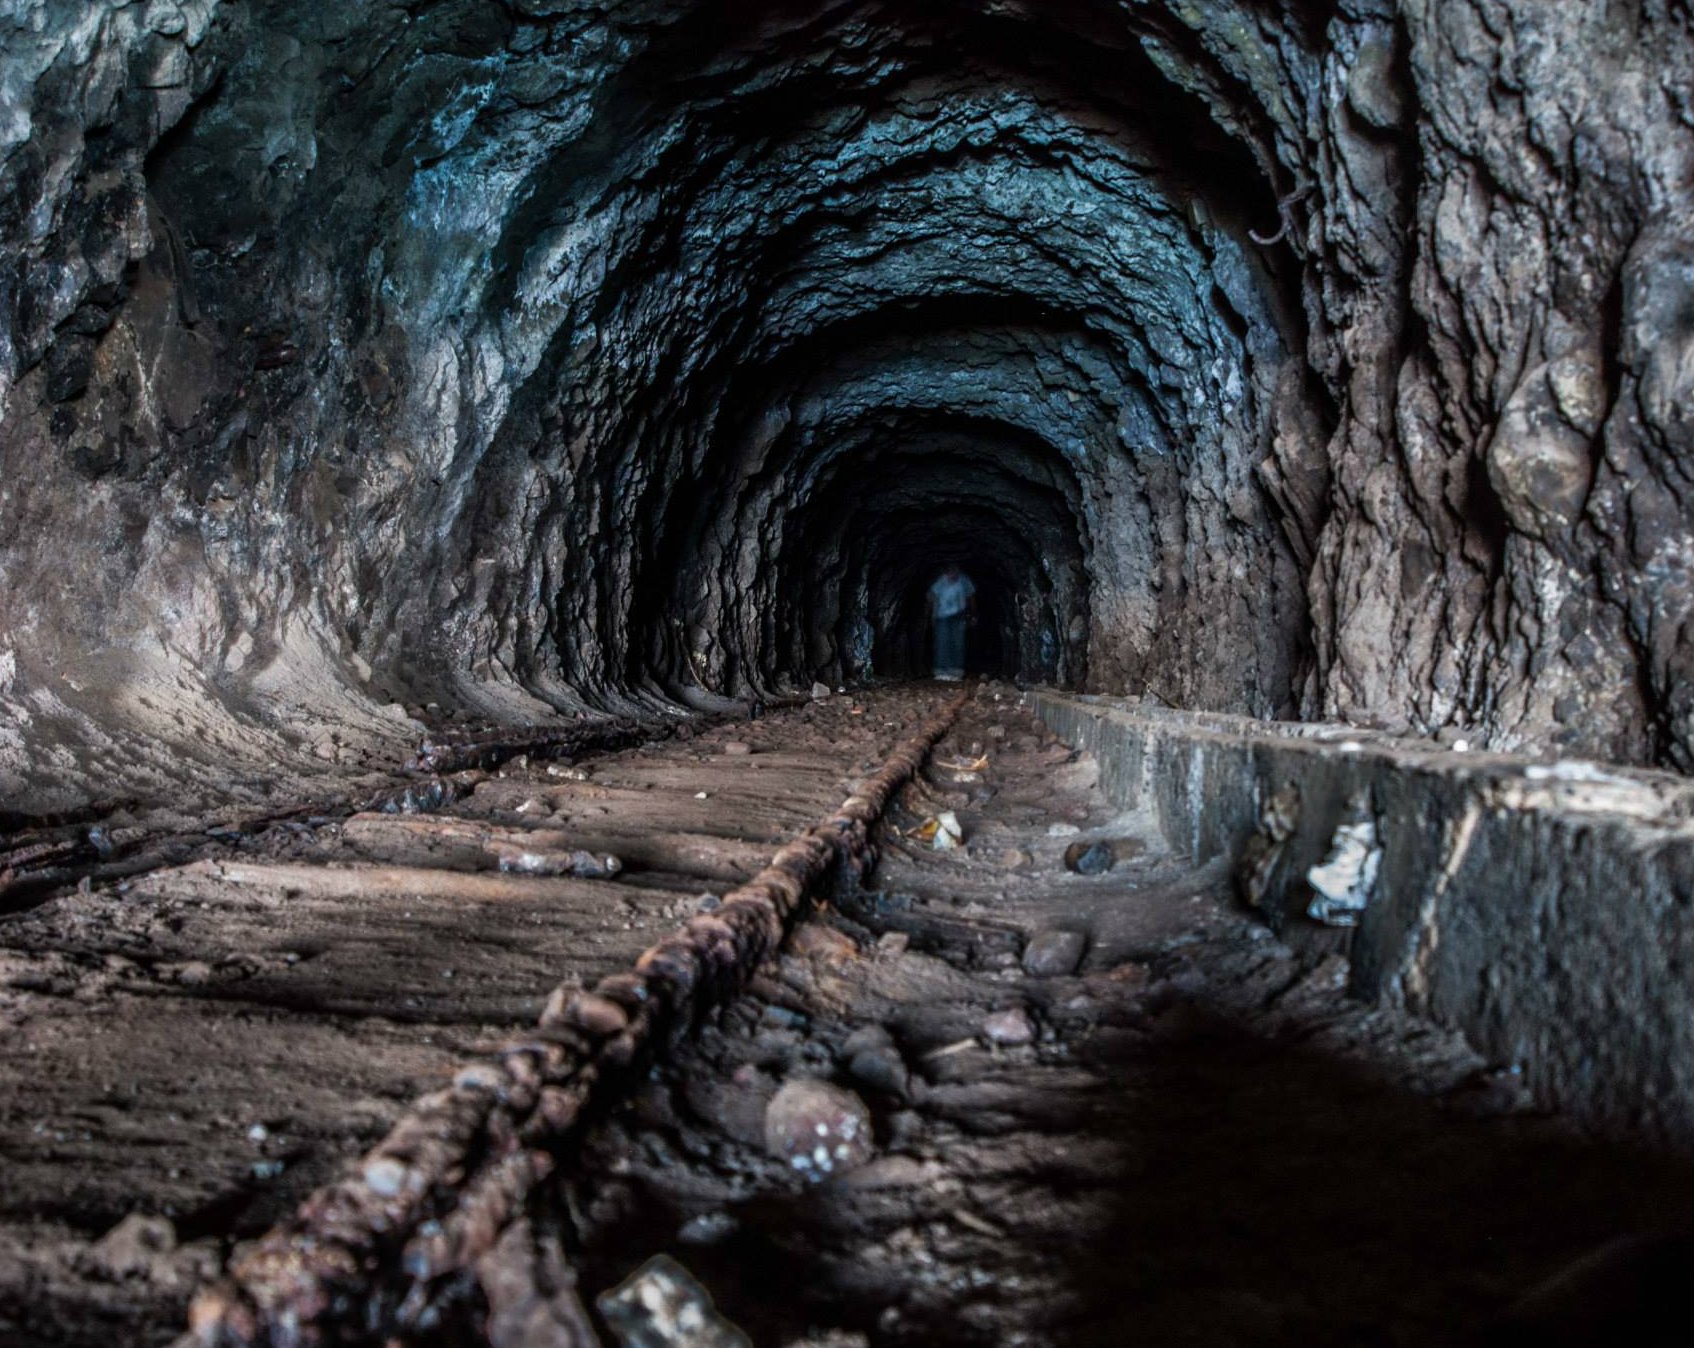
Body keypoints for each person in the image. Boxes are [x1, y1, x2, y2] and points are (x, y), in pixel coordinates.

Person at [927, 564, 976, 681]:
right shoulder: (941, 581)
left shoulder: (964, 580)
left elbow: (971, 596)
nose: (951, 574)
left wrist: (973, 614)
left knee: (958, 642)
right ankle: (942, 670)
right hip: (942, 616)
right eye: (949, 571)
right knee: (943, 642)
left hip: (959, 615)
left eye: (954, 570)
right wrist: (932, 613)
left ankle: (956, 671)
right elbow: (931, 595)